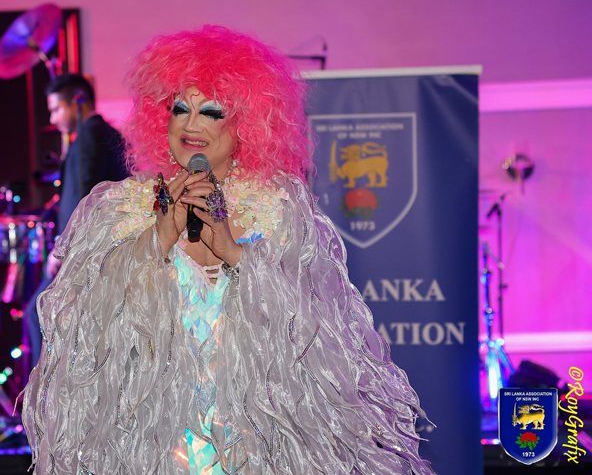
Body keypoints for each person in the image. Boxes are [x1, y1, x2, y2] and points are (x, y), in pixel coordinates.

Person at [21, 27, 433, 474]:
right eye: (180, 109)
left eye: (211, 112)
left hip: (254, 446)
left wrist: (235, 256)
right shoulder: (122, 208)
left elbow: (315, 333)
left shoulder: (276, 209)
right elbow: (81, 333)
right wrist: (155, 242)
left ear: (246, 124)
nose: (190, 125)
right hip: (152, 447)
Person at [23, 74, 129, 367]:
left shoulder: (90, 136)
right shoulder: (103, 134)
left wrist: (62, 246)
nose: (52, 118)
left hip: (86, 249)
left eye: (57, 109)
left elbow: (85, 198)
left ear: (77, 101)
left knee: (39, 312)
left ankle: (46, 393)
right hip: (99, 249)